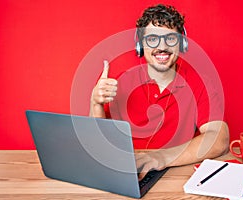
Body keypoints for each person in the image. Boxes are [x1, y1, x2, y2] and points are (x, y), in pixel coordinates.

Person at [89, 4, 229, 180]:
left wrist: (160, 158)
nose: (162, 47)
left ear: (182, 44)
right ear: (140, 46)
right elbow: (96, 143)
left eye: (170, 39)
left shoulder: (200, 84)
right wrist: (95, 104)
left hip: (177, 175)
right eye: (153, 39)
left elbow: (220, 139)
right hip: (127, 174)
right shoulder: (120, 83)